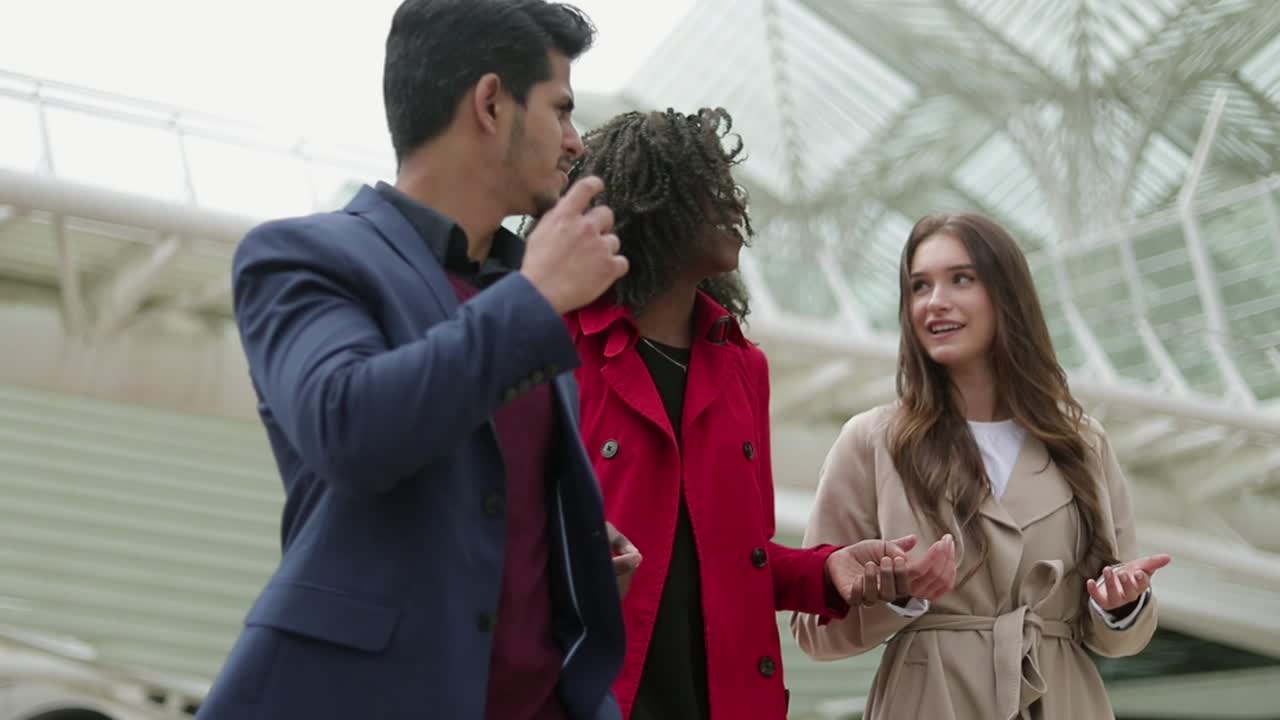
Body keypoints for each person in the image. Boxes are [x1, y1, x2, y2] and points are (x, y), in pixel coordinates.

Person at [196, 2, 637, 719]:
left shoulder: (525, 291)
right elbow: (348, 427)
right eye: (560, 110)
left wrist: (564, 554)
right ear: (491, 103)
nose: (576, 143)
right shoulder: (302, 256)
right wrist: (531, 299)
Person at [563, 107, 953, 720]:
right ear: (648, 201)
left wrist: (828, 571)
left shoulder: (744, 367)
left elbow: (737, 559)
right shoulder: (557, 348)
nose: (732, 200)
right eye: (708, 182)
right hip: (600, 698)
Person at [792, 213, 1173, 719]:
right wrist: (901, 597)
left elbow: (1119, 639)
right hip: (931, 701)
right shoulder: (871, 441)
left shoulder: (1081, 443)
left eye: (961, 279)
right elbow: (812, 630)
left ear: (1007, 295)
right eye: (919, 285)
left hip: (1063, 700)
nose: (935, 301)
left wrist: (1120, 605)